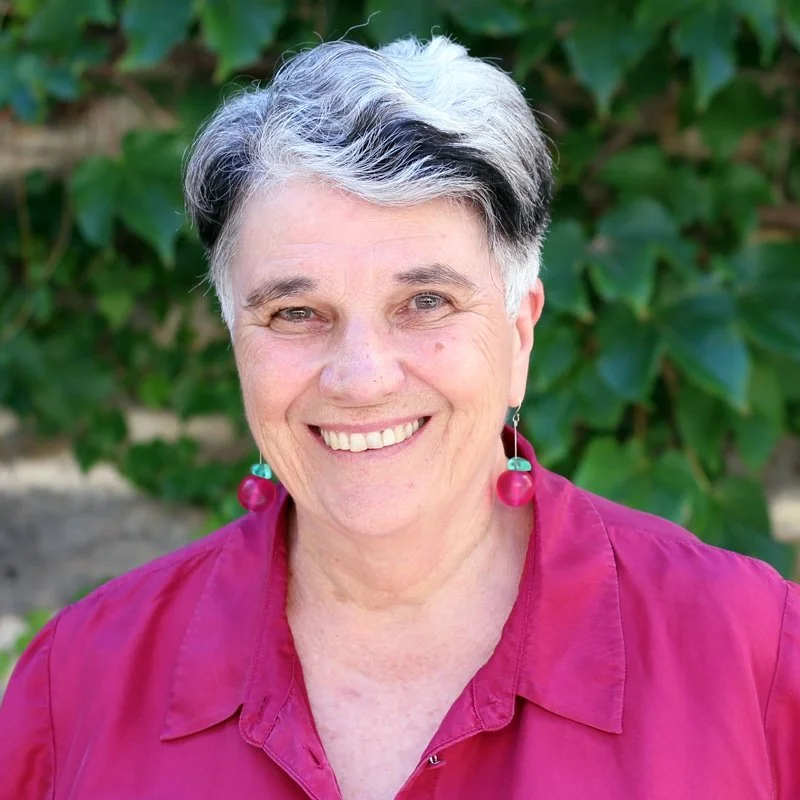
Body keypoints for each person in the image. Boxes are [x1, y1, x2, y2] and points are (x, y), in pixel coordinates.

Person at [1, 35, 798, 800]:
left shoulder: (754, 657)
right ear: (235, 341)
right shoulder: (74, 689)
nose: (361, 377)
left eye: (425, 302)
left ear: (519, 332)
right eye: (295, 312)